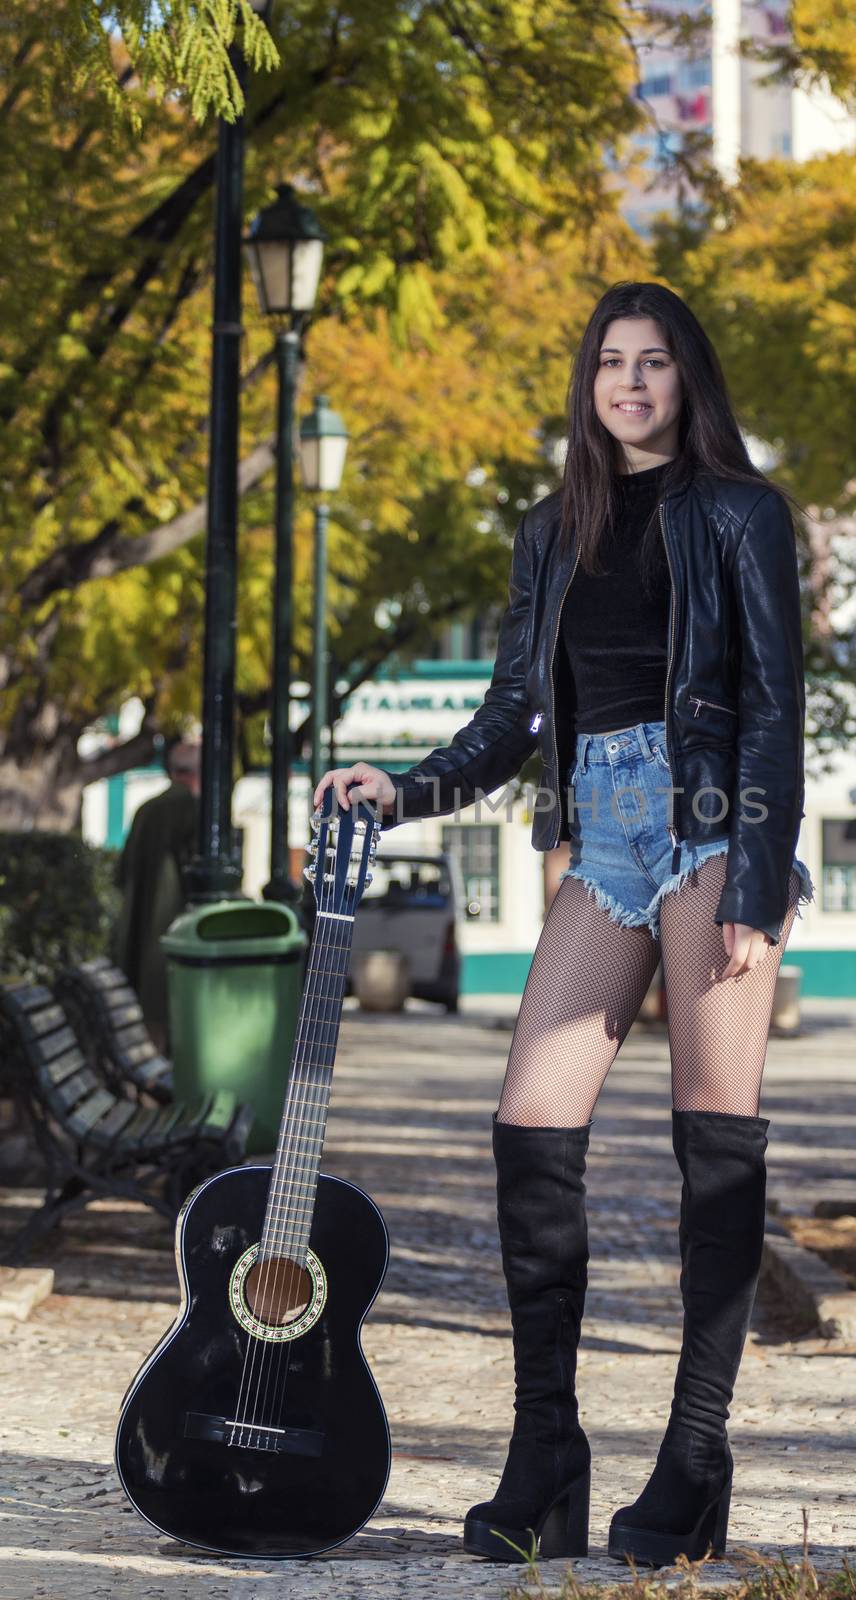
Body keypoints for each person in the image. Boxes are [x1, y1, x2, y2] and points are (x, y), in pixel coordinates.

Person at [314, 281, 815, 1569]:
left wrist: (757, 880)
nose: (631, 383)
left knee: (713, 1142)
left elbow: (772, 703)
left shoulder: (743, 515)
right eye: (610, 363)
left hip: (711, 825)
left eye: (654, 363)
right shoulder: (554, 528)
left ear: (687, 379)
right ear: (587, 385)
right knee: (531, 1121)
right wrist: (406, 784)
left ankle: (693, 1456)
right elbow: (509, 719)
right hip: (601, 839)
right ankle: (546, 1456)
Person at [112, 736, 201, 1053]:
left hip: (138, 931)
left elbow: (121, 874)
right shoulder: (194, 810)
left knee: (149, 1024)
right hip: (176, 933)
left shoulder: (145, 810)